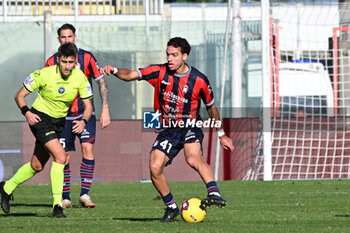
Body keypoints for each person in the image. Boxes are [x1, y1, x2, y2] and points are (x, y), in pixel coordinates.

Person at [100, 37, 234, 222]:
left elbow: (211, 108)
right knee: (154, 167)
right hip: (168, 129)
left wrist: (221, 134)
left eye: (175, 55)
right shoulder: (158, 72)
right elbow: (130, 75)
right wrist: (114, 70)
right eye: (168, 54)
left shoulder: (200, 80)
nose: (170, 58)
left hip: (190, 125)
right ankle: (171, 207)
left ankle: (214, 193)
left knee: (193, 159)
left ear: (185, 56)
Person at [0, 43, 93, 218]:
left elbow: (88, 106)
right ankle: (57, 205)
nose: (67, 66)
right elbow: (19, 96)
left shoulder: (80, 77)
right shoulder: (44, 74)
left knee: (37, 165)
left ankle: (6, 188)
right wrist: (26, 112)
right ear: (58, 60)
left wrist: (84, 120)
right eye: (64, 61)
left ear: (75, 62)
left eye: (70, 62)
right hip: (40, 119)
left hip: (59, 123)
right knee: (60, 156)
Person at [45, 23, 110, 208]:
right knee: (63, 155)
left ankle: (85, 195)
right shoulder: (51, 61)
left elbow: (101, 82)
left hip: (85, 114)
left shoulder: (87, 57)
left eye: (70, 36)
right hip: (61, 117)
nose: (67, 40)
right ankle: (65, 197)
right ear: (58, 40)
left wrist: (105, 108)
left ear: (75, 37)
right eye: (63, 37)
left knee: (88, 149)